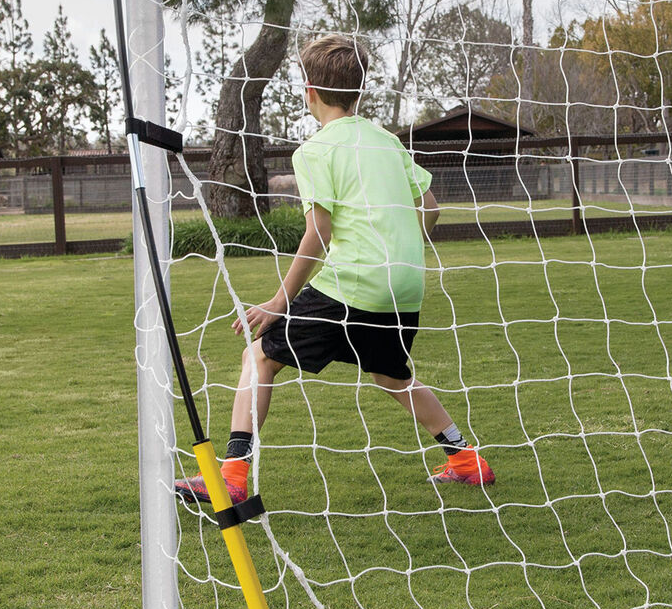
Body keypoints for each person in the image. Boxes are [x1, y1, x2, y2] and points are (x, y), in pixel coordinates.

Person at [182, 33, 494, 506]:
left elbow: (319, 232)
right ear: (358, 90)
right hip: (404, 286)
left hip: (353, 285)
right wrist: (400, 236)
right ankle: (466, 460)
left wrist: (278, 300)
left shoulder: (315, 151)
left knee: (259, 357)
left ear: (308, 90)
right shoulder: (386, 140)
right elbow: (429, 208)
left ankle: (231, 477)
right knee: (391, 376)